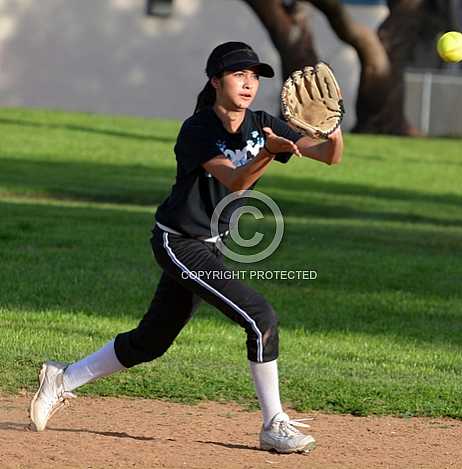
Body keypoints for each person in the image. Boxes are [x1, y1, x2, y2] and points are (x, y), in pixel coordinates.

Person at [29, 41, 343, 453]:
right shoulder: (198, 129)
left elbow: (329, 157)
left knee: (151, 341)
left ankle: (62, 378)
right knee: (260, 316)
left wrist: (331, 125)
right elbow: (235, 181)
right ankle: (274, 424)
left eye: (254, 77)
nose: (249, 84)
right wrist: (268, 152)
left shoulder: (262, 122)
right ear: (215, 81)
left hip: (213, 245)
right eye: (238, 75)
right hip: (178, 241)